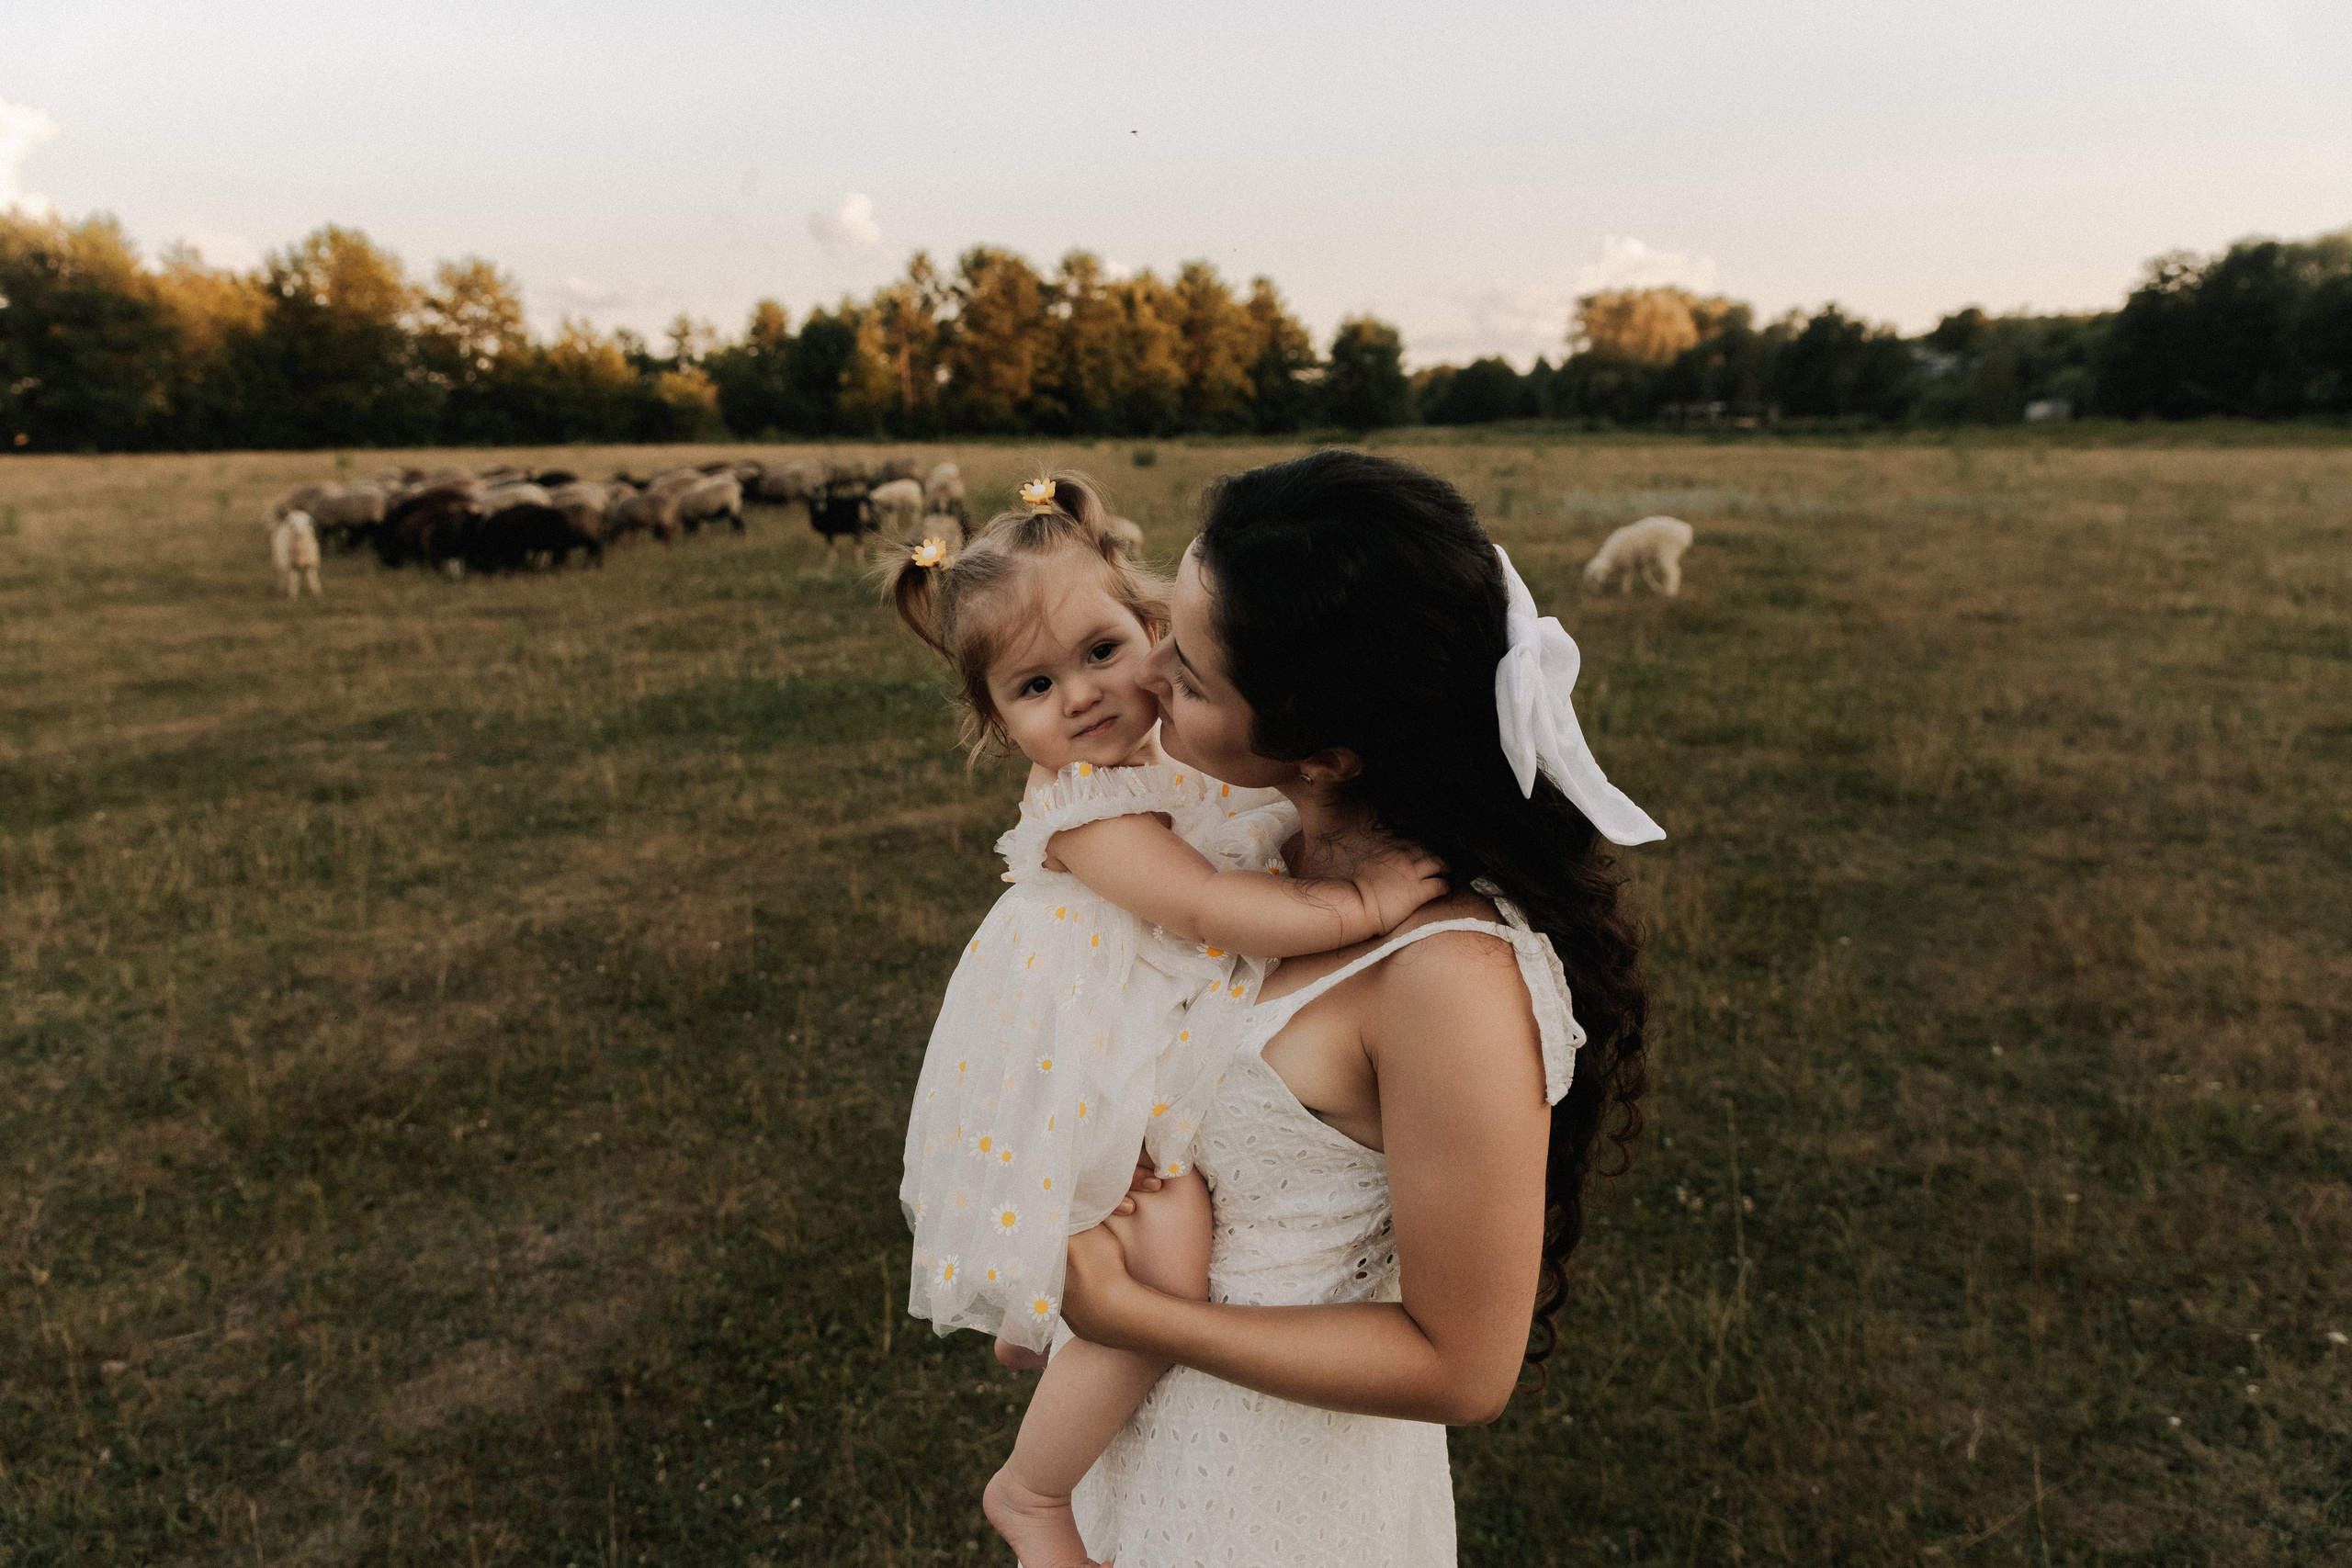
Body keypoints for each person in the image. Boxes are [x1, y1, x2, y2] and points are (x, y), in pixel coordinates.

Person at [1057, 449, 1660, 1566]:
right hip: (1130, 1446)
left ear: (1327, 753)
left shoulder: (1450, 984)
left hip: (1276, 1505)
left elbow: (1462, 1365)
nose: (1141, 680)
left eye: (1186, 677)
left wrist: (1137, 1318)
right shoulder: (1243, 849)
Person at [888, 472, 1446, 1568]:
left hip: (1139, 1034)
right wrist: (1360, 904)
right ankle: (1034, 1492)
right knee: (1172, 1256)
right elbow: (1204, 905)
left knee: (1133, 1242)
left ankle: (1036, 1311)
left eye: (1102, 652)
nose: (1084, 697)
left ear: (1154, 628)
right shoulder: (1089, 809)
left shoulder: (1170, 764)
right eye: (1035, 686)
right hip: (1100, 1057)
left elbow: (1260, 817)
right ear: (998, 724)